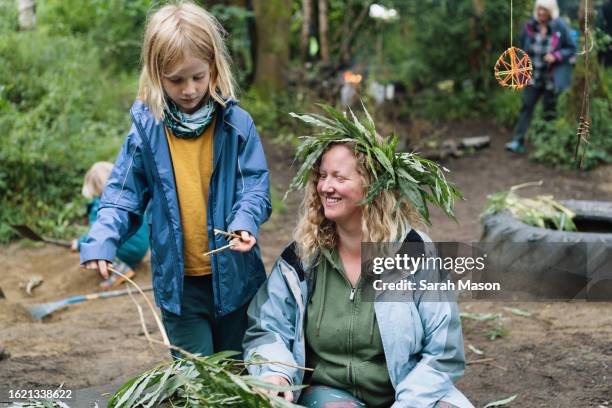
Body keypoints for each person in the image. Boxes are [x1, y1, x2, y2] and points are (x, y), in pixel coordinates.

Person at [243, 107, 473, 407]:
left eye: (339, 177)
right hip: (332, 394)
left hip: (409, 394)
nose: (326, 187)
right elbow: (268, 326)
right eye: (322, 176)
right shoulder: (303, 257)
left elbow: (444, 351)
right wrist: (275, 373)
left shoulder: (414, 254)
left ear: (372, 185)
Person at [79, 2, 271, 358]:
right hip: (179, 289)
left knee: (239, 377)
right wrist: (102, 239)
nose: (188, 89)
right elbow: (122, 195)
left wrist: (245, 221)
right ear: (156, 73)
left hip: (237, 280)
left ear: (214, 65)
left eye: (198, 76)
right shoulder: (146, 133)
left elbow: (253, 185)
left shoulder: (236, 125)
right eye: (176, 79)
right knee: (197, 381)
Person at [506, 0, 577, 153]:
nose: (540, 13)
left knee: (549, 109)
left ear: (551, 11)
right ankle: (518, 141)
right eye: (539, 9)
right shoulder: (529, 26)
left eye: (544, 10)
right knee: (527, 106)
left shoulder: (560, 26)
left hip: (552, 77)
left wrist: (556, 55)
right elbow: (521, 51)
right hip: (533, 77)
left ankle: (547, 143)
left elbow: (571, 48)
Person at [71, 162, 149, 289]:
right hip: (142, 248)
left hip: (129, 250)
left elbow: (98, 235)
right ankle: (129, 262)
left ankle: (121, 269)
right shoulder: (130, 195)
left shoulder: (101, 206)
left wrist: (79, 244)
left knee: (102, 245)